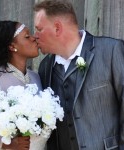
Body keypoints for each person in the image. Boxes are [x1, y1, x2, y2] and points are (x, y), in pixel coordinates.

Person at [34, 0, 124, 150]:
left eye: (39, 29)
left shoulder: (111, 51)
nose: (35, 36)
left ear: (57, 28)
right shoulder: (45, 68)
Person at [0, 20, 42, 150]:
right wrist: (6, 143)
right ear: (12, 46)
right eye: (27, 36)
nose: (34, 38)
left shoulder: (36, 78)